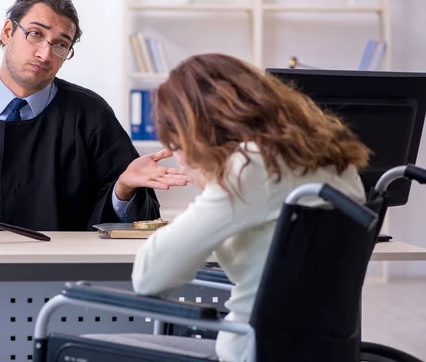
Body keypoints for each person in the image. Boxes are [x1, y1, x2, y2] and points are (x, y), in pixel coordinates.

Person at [131, 53, 369, 361]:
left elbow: (150, 277)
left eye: (177, 142)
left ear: (197, 129)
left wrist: (208, 180)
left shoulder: (251, 167)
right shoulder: (330, 155)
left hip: (250, 351)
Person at [0, 0, 188, 232]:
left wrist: (122, 188)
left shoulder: (90, 115)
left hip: (61, 282)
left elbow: (129, 220)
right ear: (8, 31)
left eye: (61, 44)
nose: (45, 53)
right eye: (35, 34)